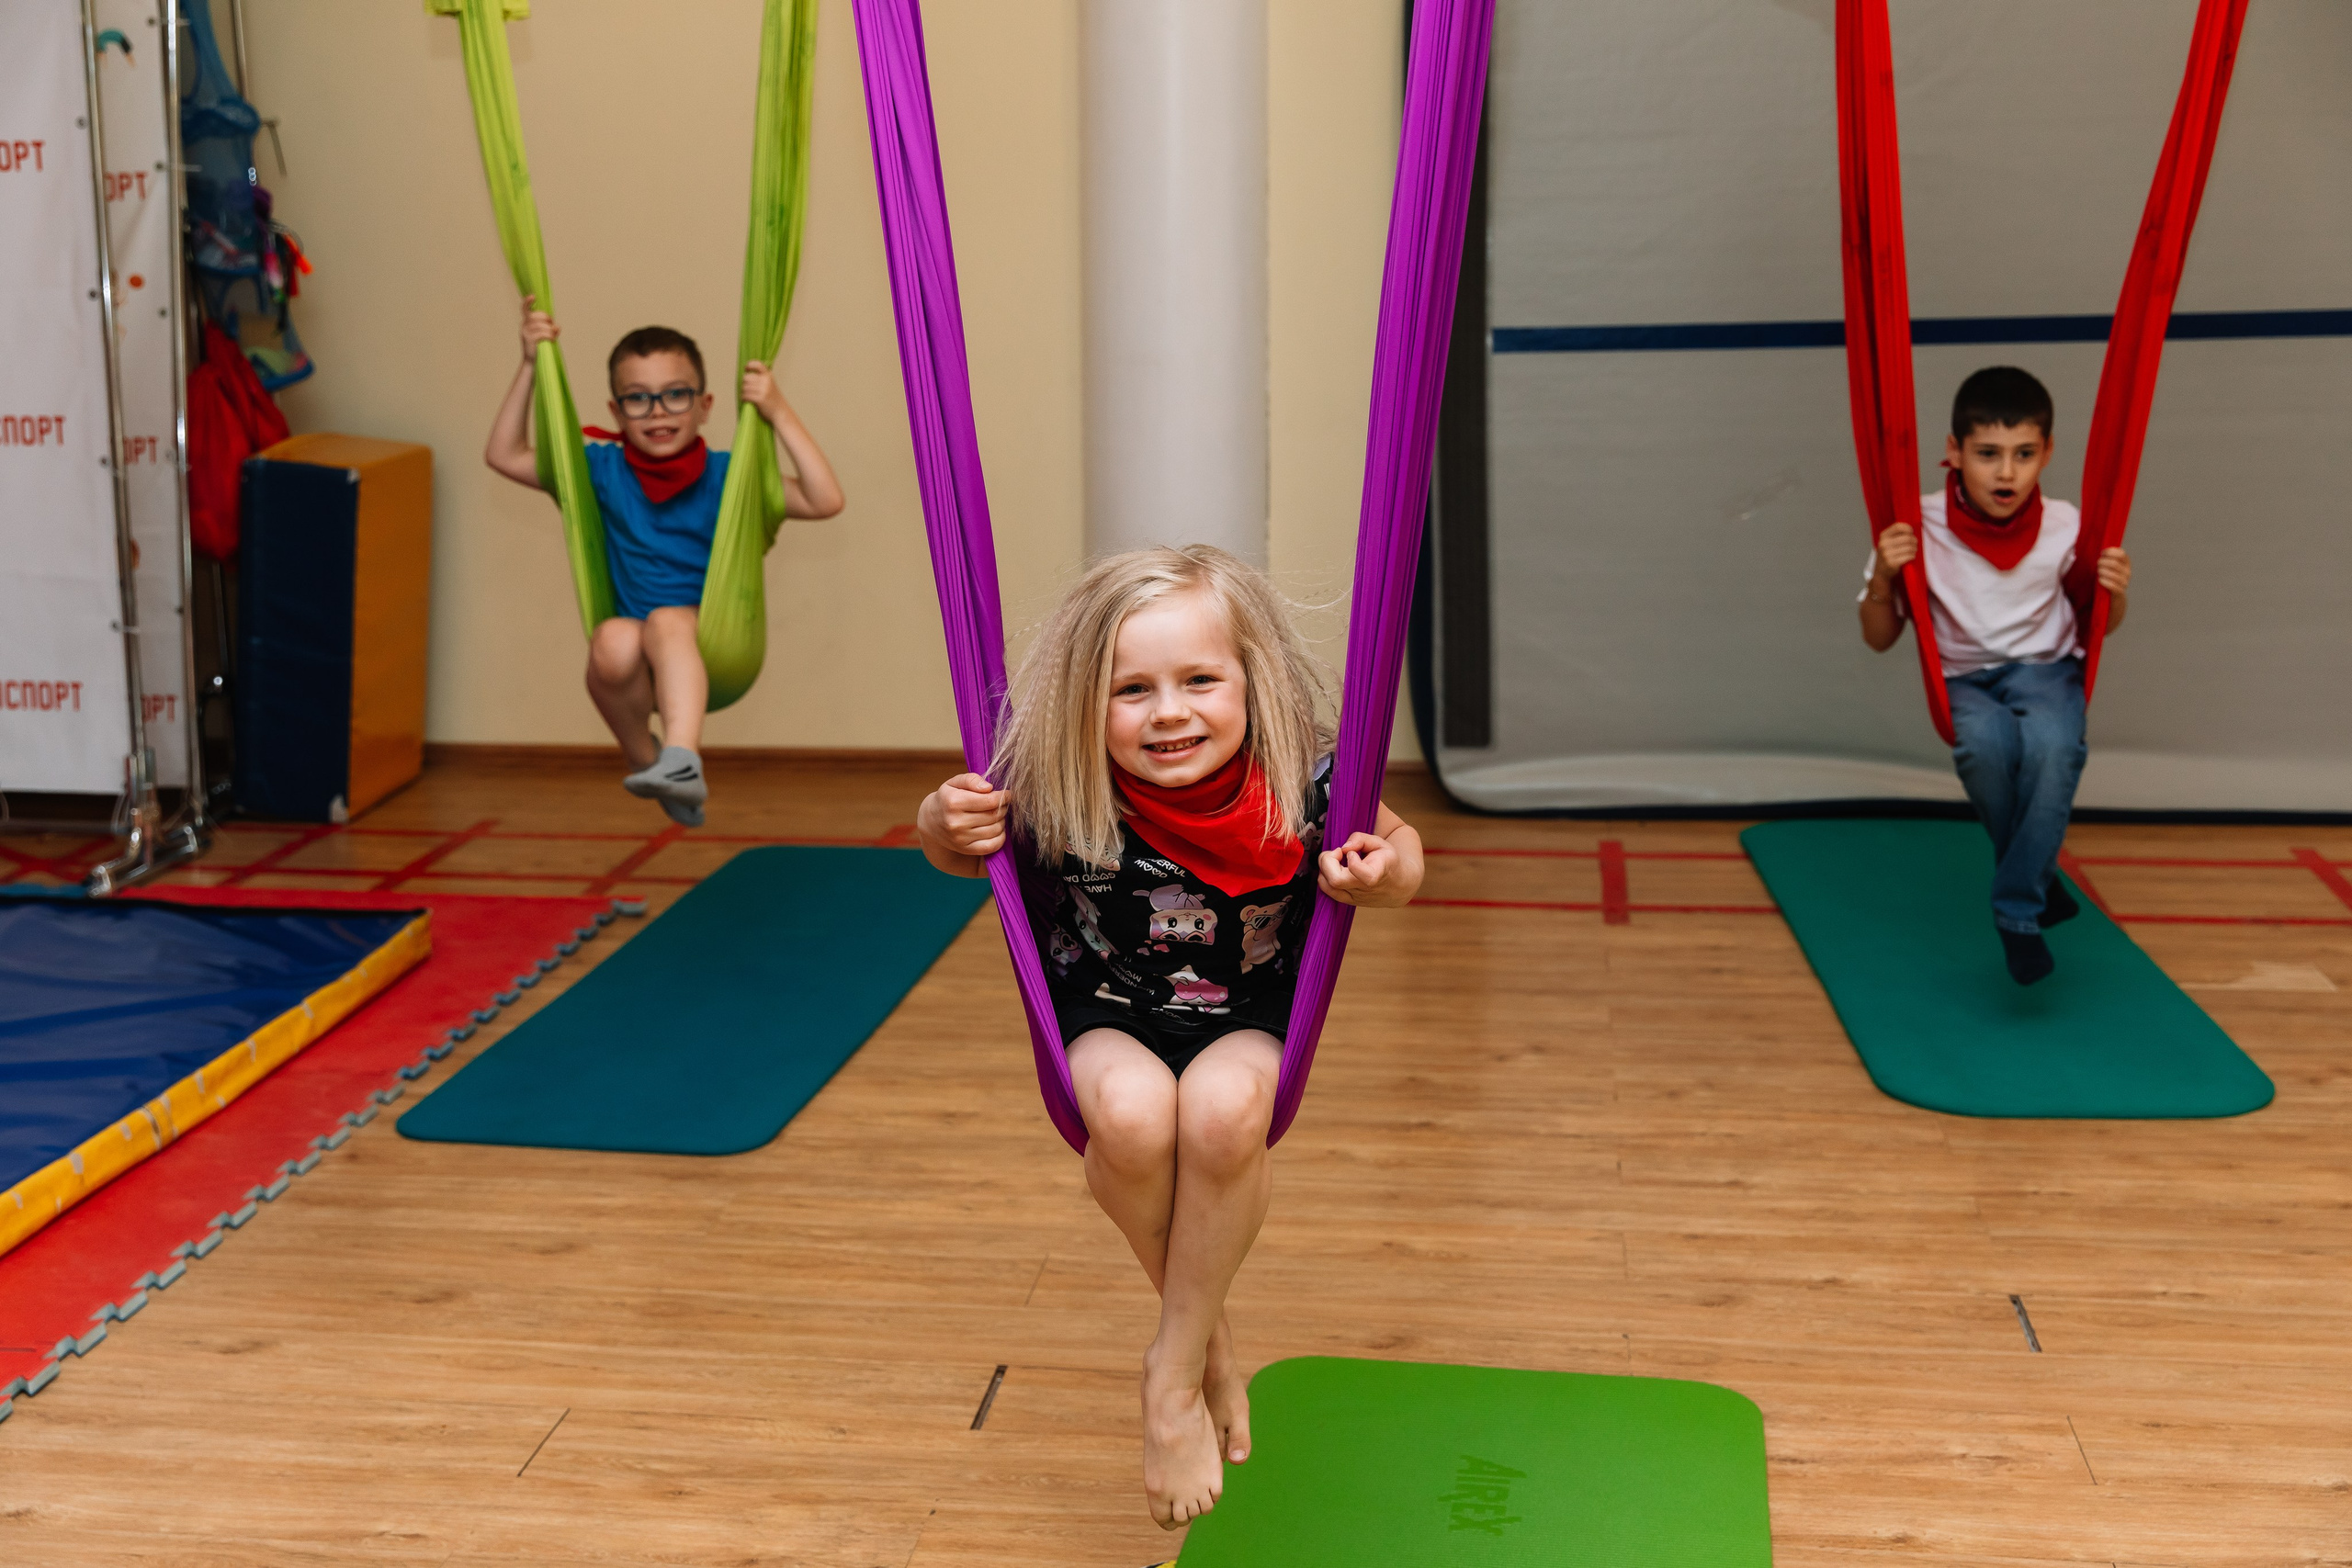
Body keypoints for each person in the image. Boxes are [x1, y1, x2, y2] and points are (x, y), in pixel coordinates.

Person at [914, 546, 1424, 1529]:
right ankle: (1204, 1350)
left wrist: (1380, 875)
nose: (1168, 712)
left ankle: (1169, 1372)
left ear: (1251, 680)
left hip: (1252, 1009)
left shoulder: (1310, 773)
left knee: (1228, 1114)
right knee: (1134, 1120)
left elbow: (1402, 855)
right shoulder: (1053, 773)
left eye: (1199, 680)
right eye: (1130, 690)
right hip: (1109, 1006)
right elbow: (949, 845)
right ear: (1084, 701)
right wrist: (941, 819)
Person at [484, 298, 844, 826]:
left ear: (705, 405)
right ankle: (644, 757)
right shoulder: (600, 470)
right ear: (615, 412)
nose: (657, 412)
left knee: (666, 620)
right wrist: (529, 366)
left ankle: (682, 759)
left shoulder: (730, 479)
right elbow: (504, 453)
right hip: (637, 670)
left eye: (676, 395)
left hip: (717, 652)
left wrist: (777, 409)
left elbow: (825, 499)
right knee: (610, 637)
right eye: (638, 399)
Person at [1860, 366, 2132, 985]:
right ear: (1953, 452)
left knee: (2054, 751)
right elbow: (1878, 638)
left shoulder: (2066, 523)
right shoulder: (1915, 524)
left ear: (2047, 452)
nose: (2006, 473)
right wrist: (1880, 578)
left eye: (2024, 454)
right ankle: (2039, 878)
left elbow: (2101, 623)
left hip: (2047, 669)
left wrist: (2115, 594)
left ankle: (2017, 911)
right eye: (1987, 454)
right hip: (1962, 677)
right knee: (1985, 751)